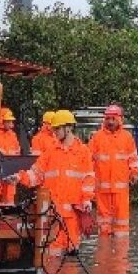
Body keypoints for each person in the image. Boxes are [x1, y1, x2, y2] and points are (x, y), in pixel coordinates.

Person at [14, 110, 95, 256]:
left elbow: (88, 179)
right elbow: (36, 174)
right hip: (53, 215)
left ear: (68, 128)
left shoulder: (83, 152)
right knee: (53, 257)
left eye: (57, 129)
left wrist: (87, 200)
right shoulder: (50, 151)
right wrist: (19, 177)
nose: (54, 132)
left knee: (72, 260)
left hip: (73, 217)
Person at [88, 104, 138, 240]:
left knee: (121, 228)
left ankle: (120, 257)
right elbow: (88, 161)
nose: (110, 122)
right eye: (108, 118)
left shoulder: (127, 138)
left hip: (120, 191)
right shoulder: (97, 137)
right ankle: (105, 255)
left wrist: (135, 172)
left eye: (113, 118)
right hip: (102, 191)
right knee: (104, 227)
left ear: (120, 119)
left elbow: (133, 158)